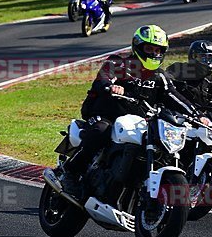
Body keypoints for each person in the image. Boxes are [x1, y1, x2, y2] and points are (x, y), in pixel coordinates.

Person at [44, 25, 201, 201]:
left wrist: (197, 115)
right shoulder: (118, 63)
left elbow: (174, 96)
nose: (153, 53)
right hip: (105, 112)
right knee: (101, 131)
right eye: (149, 48)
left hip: (136, 122)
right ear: (138, 47)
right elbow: (103, 79)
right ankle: (69, 174)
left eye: (158, 50)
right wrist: (111, 87)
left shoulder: (160, 77)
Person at [166, 40, 212, 111]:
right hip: (178, 116)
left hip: (203, 119)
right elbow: (165, 84)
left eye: (211, 58)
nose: (208, 62)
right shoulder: (177, 70)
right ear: (193, 56)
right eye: (203, 58)